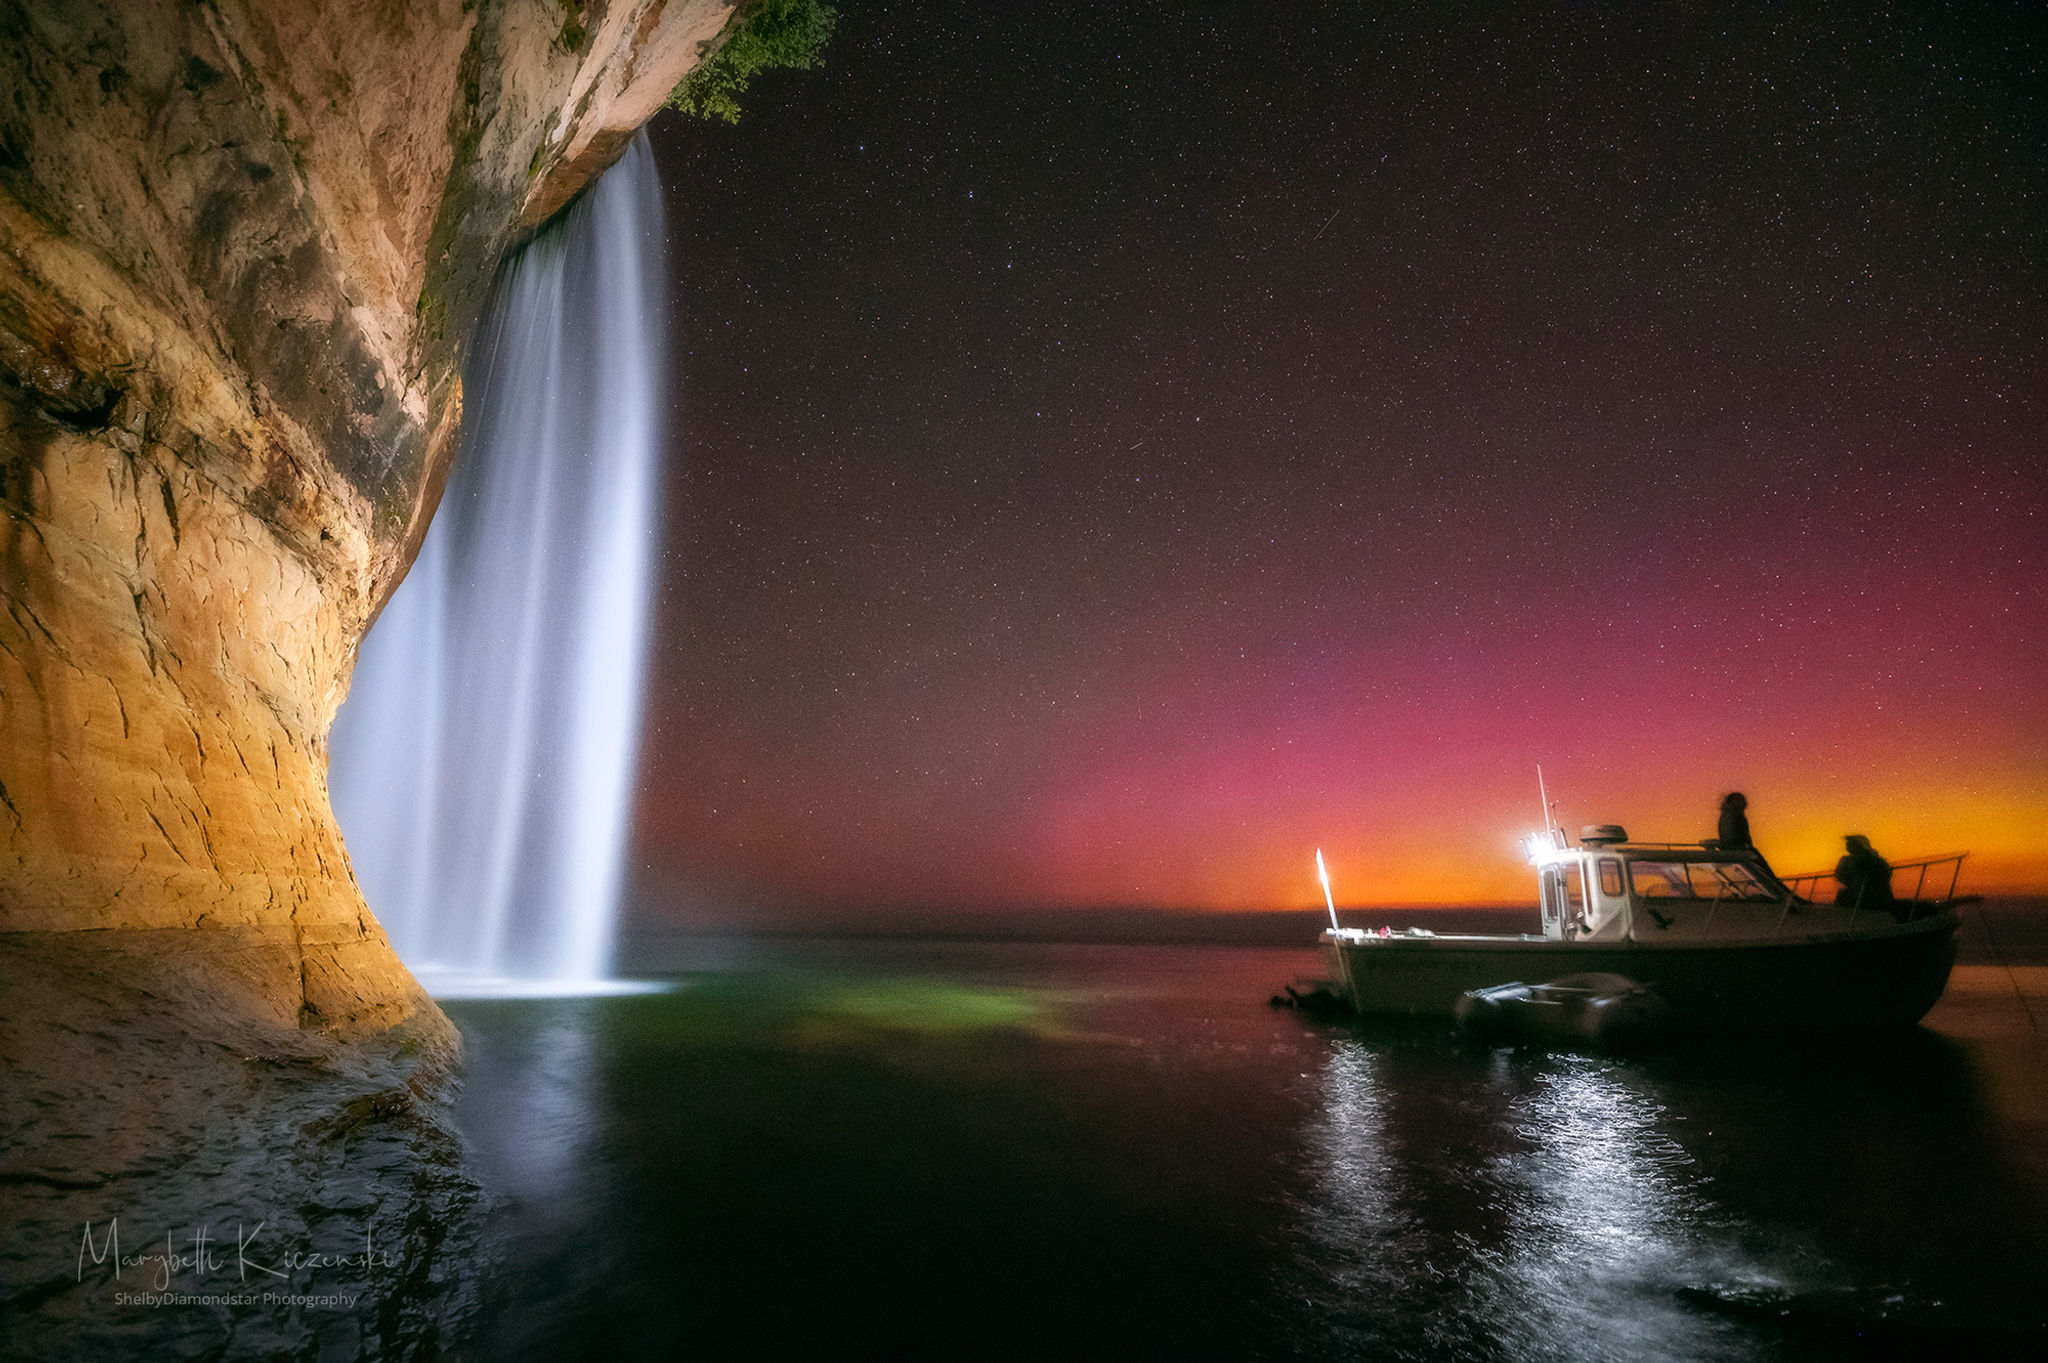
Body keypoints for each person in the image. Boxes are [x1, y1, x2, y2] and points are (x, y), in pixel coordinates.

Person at [1834, 835, 1895, 913]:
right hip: (1865, 895)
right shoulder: (1852, 860)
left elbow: (1842, 876)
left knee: (1843, 895)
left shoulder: (1868, 860)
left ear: (1858, 845)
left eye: (1850, 843)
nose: (1846, 845)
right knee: (1843, 894)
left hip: (1867, 897)